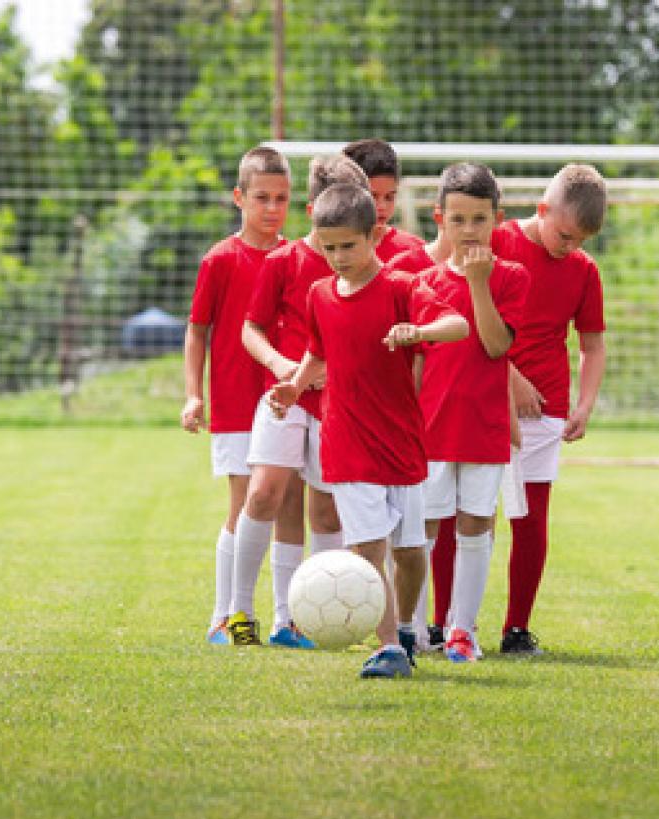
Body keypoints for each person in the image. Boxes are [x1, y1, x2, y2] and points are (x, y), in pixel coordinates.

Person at [269, 183, 468, 679]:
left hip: (400, 441)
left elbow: (458, 324)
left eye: (348, 246)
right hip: (346, 443)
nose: (337, 257)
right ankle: (388, 648)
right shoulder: (318, 295)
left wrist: (417, 331)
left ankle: (401, 627)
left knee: (410, 551)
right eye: (328, 247)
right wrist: (295, 385)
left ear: (375, 235)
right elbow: (318, 351)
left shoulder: (401, 288)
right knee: (368, 549)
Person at [227, 155, 369, 647]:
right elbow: (251, 327)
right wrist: (281, 366)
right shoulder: (282, 262)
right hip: (283, 399)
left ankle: (299, 620)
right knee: (264, 492)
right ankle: (238, 613)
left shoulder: (363, 268)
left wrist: (332, 371)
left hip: (335, 405)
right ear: (316, 210)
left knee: (326, 513)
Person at [484, 163, 609, 655]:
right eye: (564, 235)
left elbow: (592, 345)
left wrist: (584, 404)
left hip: (545, 410)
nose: (570, 247)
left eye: (580, 240)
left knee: (531, 519)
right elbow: (474, 315)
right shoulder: (498, 243)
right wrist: (508, 378)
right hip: (483, 396)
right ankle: (446, 625)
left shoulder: (583, 272)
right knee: (466, 514)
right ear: (541, 210)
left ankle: (516, 629)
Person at [414, 163, 529, 663]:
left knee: (476, 523)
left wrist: (480, 284)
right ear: (439, 218)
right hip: (431, 428)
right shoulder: (420, 284)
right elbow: (416, 364)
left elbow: (496, 344)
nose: (467, 230)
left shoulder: (513, 279)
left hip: (484, 428)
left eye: (479, 219)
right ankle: (412, 628)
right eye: (457, 219)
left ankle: (463, 630)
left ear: (497, 220)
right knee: (423, 530)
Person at [182, 146, 291, 644]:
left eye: (282, 199)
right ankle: (223, 616)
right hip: (233, 401)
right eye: (262, 198)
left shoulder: (298, 257)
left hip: (285, 400)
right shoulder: (220, 260)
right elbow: (197, 330)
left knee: (284, 505)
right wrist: (193, 395)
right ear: (239, 198)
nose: (272, 208)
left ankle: (287, 617)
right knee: (243, 503)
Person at [343, 138, 426, 263]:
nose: (382, 206)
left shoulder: (415, 251)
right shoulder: (330, 249)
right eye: (372, 196)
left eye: (389, 197)